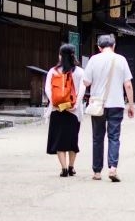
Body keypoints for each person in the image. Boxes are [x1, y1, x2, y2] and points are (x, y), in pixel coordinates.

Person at [83, 33, 135, 182]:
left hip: (98, 104)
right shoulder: (121, 60)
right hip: (116, 104)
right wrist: (130, 105)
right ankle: (112, 168)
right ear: (114, 46)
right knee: (114, 137)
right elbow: (128, 85)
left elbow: (86, 82)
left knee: (97, 138)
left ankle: (97, 172)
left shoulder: (93, 60)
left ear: (99, 47)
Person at [45, 43, 85, 177]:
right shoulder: (79, 71)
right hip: (73, 112)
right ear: (73, 55)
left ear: (60, 56)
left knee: (59, 140)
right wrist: (75, 104)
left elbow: (47, 89)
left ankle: (63, 169)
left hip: (57, 111)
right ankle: (71, 167)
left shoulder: (53, 71)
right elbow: (82, 90)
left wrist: (55, 103)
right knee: (72, 140)